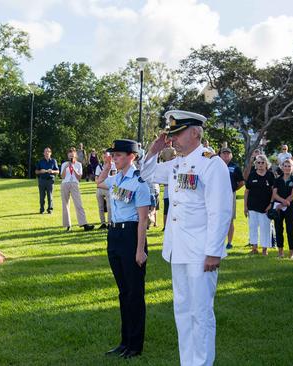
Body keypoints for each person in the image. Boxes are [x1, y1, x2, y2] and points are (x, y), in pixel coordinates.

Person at [141, 110, 232, 366]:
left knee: (200, 313)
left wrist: (214, 251)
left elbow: (220, 210)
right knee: (182, 311)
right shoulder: (177, 163)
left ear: (195, 133)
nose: (173, 140)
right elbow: (146, 175)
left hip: (201, 252)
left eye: (177, 134)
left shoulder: (211, 164)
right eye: (171, 135)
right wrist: (153, 150)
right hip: (178, 249)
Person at [96, 139, 150, 359]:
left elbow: (143, 219)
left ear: (132, 156)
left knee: (134, 293)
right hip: (114, 235)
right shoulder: (116, 178)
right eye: (113, 155)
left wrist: (140, 250)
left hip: (131, 236)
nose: (115, 158)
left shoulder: (140, 183)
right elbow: (99, 183)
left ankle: (135, 345)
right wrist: (107, 165)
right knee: (123, 292)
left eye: (118, 155)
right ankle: (124, 341)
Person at [244, 154, 275, 255]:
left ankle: (264, 249)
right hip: (252, 206)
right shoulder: (252, 175)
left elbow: (274, 191)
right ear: (255, 164)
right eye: (258, 163)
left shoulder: (270, 175)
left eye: (262, 162)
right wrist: (245, 206)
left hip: (265, 207)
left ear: (266, 164)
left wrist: (271, 204)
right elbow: (246, 191)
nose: (260, 164)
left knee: (265, 227)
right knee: (252, 227)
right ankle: (254, 248)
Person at [272, 159, 293, 258]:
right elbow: (274, 194)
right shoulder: (277, 180)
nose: (287, 168)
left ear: (292, 168)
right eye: (285, 166)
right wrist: (281, 203)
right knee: (278, 229)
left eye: (289, 166)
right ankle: (280, 252)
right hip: (278, 209)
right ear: (282, 167)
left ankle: (291, 252)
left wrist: (284, 203)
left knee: (290, 229)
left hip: (290, 208)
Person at [60, 147, 94, 231]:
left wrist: (73, 168)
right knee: (65, 205)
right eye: (70, 154)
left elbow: (79, 177)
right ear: (68, 156)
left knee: (78, 204)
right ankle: (67, 225)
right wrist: (66, 167)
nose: (71, 156)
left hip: (75, 184)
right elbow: (62, 176)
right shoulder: (64, 164)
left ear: (75, 155)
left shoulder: (78, 164)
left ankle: (84, 224)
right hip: (65, 184)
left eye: (73, 154)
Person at [219, 147, 245, 249]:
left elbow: (242, 182)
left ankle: (229, 243)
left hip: (230, 195)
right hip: (217, 195)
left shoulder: (235, 167)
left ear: (231, 155)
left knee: (229, 219)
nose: (226, 155)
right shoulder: (215, 166)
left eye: (228, 154)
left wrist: (233, 189)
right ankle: (219, 242)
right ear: (220, 155)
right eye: (224, 153)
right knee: (217, 218)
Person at [95, 150, 116, 229]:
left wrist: (102, 182)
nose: (105, 158)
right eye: (104, 157)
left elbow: (114, 177)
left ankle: (109, 223)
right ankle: (103, 223)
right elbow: (96, 179)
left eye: (106, 156)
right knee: (100, 207)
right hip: (100, 188)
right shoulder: (99, 166)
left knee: (109, 206)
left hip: (108, 188)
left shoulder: (113, 165)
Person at [35, 147, 59, 214]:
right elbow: (36, 171)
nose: (47, 153)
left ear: (51, 153)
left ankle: (50, 209)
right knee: (42, 196)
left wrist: (52, 171)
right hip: (42, 180)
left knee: (50, 196)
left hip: (50, 181)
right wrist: (40, 171)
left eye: (48, 151)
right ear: (43, 153)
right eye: (45, 151)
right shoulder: (40, 161)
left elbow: (58, 171)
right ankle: (42, 209)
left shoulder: (54, 161)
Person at [159, 141, 176, 230]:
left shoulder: (174, 151)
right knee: (166, 208)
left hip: (174, 190)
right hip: (167, 189)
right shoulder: (165, 165)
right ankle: (165, 226)